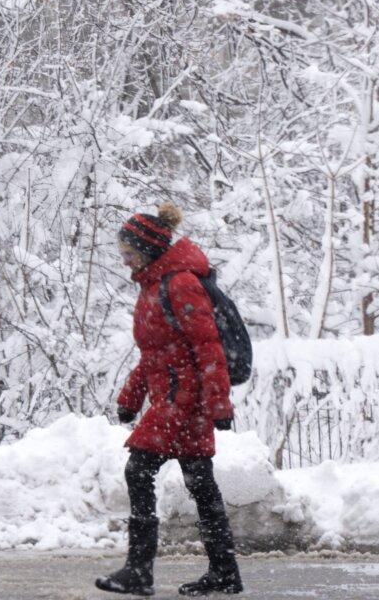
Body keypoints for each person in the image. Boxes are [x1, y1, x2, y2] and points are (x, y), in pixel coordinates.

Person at [96, 202, 243, 597]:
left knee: (138, 470)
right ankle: (225, 572)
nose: (123, 258)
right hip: (173, 396)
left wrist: (218, 404)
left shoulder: (180, 284)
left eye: (128, 251)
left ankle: (139, 571)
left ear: (147, 249)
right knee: (200, 484)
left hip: (184, 400)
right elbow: (155, 353)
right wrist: (131, 396)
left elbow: (207, 346)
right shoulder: (151, 286)